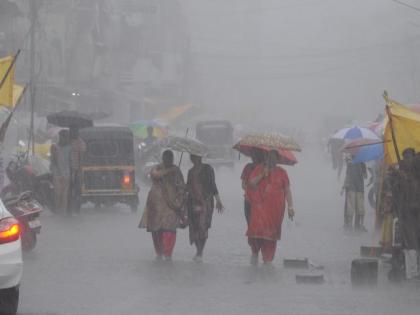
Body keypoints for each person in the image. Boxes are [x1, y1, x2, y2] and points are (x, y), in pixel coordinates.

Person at [246, 150, 295, 265]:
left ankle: (268, 261)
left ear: (278, 159)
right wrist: (262, 175)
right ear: (266, 156)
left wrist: (291, 206)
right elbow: (251, 184)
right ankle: (254, 254)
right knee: (256, 233)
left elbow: (287, 190)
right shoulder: (259, 169)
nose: (271, 159)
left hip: (275, 212)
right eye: (269, 156)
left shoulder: (282, 172)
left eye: (274, 157)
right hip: (258, 209)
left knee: (271, 236)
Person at [139, 150, 186, 261]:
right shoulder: (157, 168)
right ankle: (159, 252)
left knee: (170, 229)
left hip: (172, 205)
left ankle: (168, 253)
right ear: (163, 158)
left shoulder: (177, 170)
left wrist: (180, 199)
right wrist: (169, 170)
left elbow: (181, 186)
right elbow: (154, 174)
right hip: (156, 205)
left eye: (170, 158)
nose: (168, 159)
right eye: (166, 157)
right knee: (156, 230)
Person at [186, 154, 224, 262]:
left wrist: (218, 200)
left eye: (195, 156)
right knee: (194, 227)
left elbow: (212, 184)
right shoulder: (190, 172)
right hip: (192, 202)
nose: (193, 158)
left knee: (203, 226)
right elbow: (188, 186)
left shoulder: (208, 169)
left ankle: (200, 251)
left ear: (200, 157)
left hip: (205, 202)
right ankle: (198, 249)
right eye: (192, 156)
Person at [342, 156, 367, 231]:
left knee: (354, 207)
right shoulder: (360, 163)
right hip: (356, 188)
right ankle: (356, 225)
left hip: (354, 188)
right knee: (357, 207)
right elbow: (365, 176)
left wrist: (344, 186)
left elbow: (348, 175)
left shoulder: (351, 163)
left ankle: (353, 225)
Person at [241, 148, 265, 225]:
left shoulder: (264, 169)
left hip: (262, 201)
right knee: (250, 225)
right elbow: (243, 185)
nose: (254, 157)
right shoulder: (248, 167)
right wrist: (250, 188)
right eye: (253, 154)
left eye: (256, 154)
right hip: (249, 200)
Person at [50, 129, 71, 213]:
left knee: (64, 194)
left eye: (65, 137)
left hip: (66, 173)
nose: (64, 139)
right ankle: (58, 209)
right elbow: (53, 160)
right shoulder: (54, 147)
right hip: (57, 173)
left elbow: (70, 160)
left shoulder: (70, 147)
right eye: (63, 137)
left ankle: (63, 210)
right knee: (58, 193)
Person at [68, 127, 86, 215]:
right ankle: (70, 208)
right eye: (71, 132)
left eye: (73, 132)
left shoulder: (80, 142)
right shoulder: (68, 141)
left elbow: (81, 157)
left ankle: (77, 208)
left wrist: (79, 170)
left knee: (77, 190)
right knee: (69, 190)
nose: (72, 133)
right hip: (68, 169)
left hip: (77, 169)